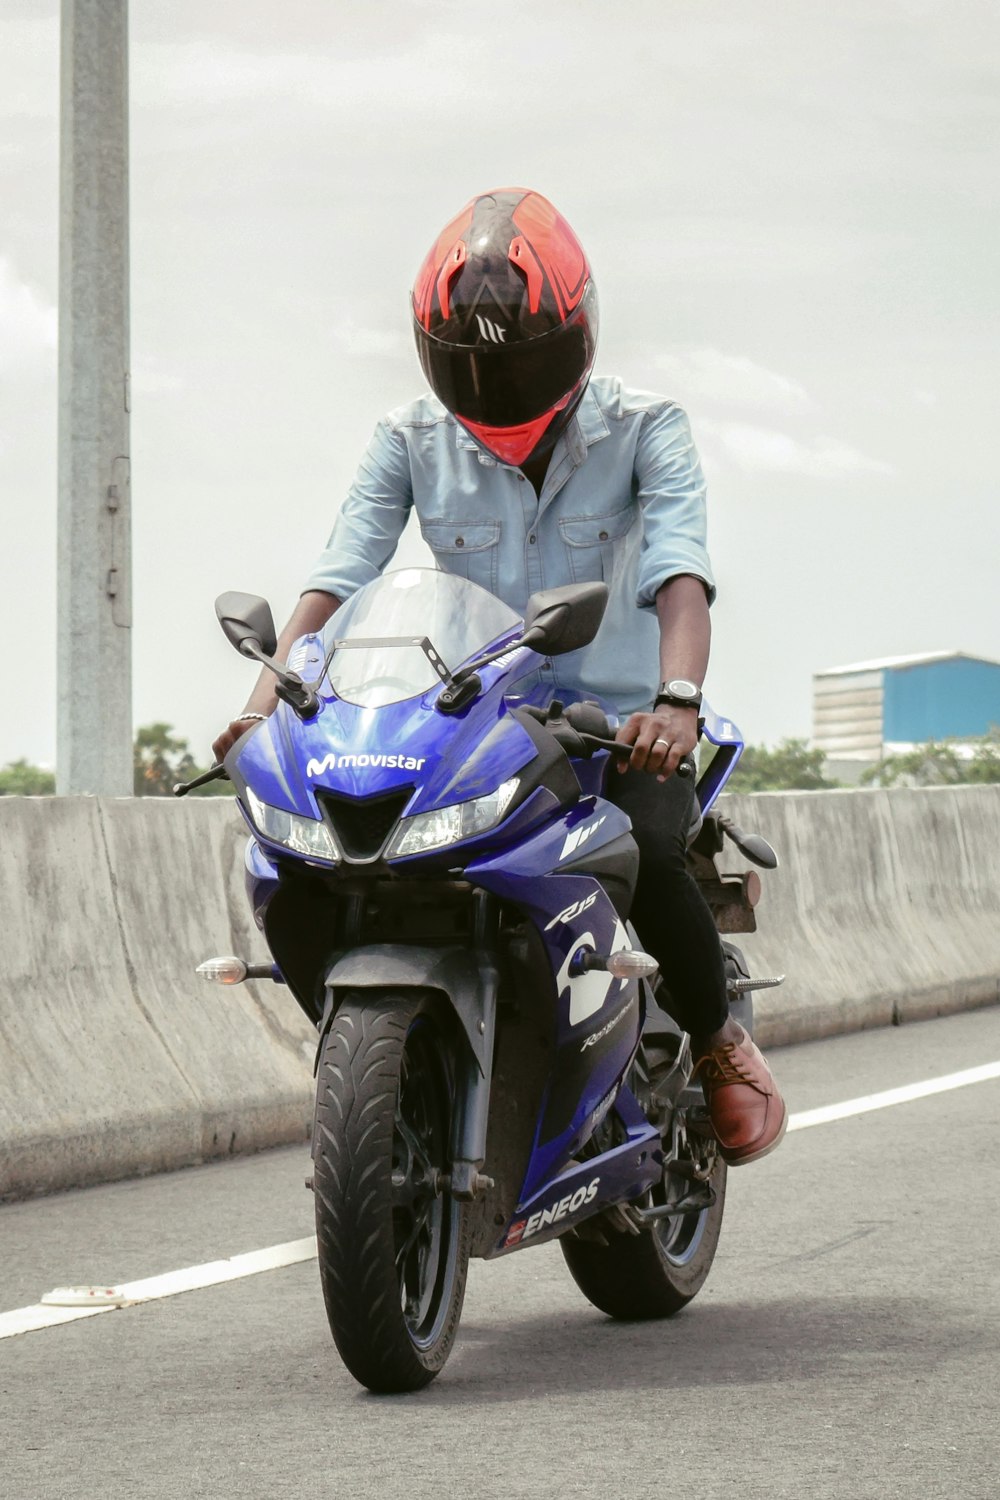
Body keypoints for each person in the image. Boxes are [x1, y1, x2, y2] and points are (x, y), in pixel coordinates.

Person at [213, 187, 786, 1166]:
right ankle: (382, 1067)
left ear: (574, 333)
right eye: (472, 362)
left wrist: (676, 702)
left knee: (644, 841)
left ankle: (721, 1043)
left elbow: (679, 572)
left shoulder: (647, 429)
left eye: (516, 357)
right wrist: (259, 704)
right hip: (469, 719)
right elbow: (339, 574)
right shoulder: (408, 438)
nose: (495, 380)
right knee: (317, 862)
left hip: (612, 727)